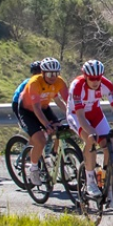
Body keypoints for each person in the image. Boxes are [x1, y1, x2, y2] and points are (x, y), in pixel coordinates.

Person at [67, 59, 113, 199]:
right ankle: (90, 180)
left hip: (95, 113)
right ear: (85, 76)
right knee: (90, 140)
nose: (96, 81)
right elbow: (80, 116)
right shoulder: (77, 86)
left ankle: (104, 178)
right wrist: (91, 132)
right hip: (77, 115)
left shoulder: (106, 84)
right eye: (92, 79)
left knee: (109, 141)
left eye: (98, 78)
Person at [18, 57, 70, 185]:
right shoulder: (34, 82)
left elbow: (69, 102)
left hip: (44, 108)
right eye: (49, 74)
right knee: (40, 140)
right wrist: (46, 124)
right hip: (28, 111)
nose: (53, 77)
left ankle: (52, 156)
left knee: (60, 130)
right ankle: (33, 168)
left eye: (56, 73)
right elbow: (36, 108)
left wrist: (75, 116)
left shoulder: (59, 82)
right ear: (42, 72)